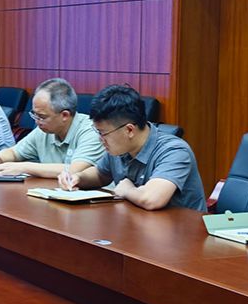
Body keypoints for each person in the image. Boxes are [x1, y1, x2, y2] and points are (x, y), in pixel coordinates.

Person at [58, 83, 206, 210]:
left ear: (129, 130)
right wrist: (77, 178)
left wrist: (127, 190)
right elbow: (100, 174)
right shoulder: (120, 146)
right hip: (137, 224)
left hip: (182, 231)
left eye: (103, 133)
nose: (100, 139)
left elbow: (151, 199)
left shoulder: (174, 151)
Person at [0, 77, 104, 179]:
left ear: (65, 115)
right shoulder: (43, 130)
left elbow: (75, 170)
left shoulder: (91, 130)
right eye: (34, 114)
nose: (37, 121)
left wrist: (23, 167)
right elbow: (14, 153)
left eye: (42, 117)